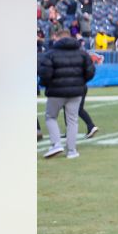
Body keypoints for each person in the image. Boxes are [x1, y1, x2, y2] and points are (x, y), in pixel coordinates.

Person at [38, 27, 96, 159]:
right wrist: (81, 82)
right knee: (72, 120)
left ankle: (56, 144)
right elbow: (91, 71)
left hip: (56, 92)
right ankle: (72, 150)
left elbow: (44, 73)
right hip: (76, 91)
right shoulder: (82, 53)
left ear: (58, 38)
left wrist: (48, 84)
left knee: (51, 117)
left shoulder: (51, 54)